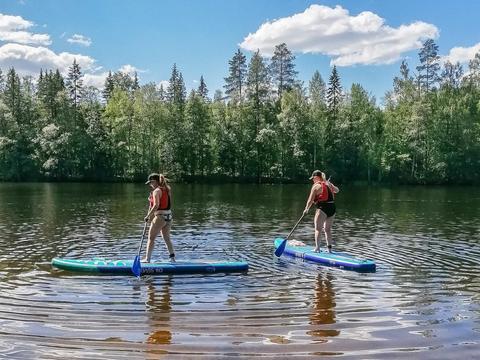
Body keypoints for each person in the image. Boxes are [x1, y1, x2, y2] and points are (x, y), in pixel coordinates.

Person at [303, 170, 339, 253]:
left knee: (318, 229)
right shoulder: (328, 183)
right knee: (328, 230)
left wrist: (306, 209)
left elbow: (310, 200)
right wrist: (330, 185)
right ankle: (330, 250)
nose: (313, 180)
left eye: (313, 178)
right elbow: (337, 190)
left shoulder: (316, 186)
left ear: (317, 177)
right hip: (332, 208)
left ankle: (317, 248)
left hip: (322, 208)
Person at [142, 173, 175, 263]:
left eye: (151, 182)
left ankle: (147, 259)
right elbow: (164, 202)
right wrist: (151, 200)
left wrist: (148, 216)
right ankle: (172, 258)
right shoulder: (167, 189)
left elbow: (156, 205)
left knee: (151, 238)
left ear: (155, 181)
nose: (150, 185)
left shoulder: (156, 191)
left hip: (160, 217)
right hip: (169, 217)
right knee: (167, 238)